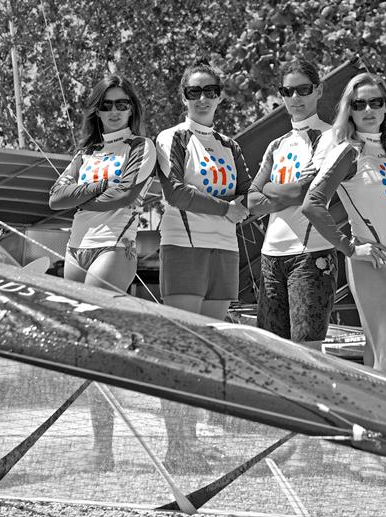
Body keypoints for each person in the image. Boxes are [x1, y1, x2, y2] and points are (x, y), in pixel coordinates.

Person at [49, 74, 157, 470]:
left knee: (99, 338)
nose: (114, 112)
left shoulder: (142, 146)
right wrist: (100, 186)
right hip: (76, 249)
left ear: (133, 109)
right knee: (84, 347)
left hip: (116, 245)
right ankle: (103, 448)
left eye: (122, 104)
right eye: (106, 105)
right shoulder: (85, 153)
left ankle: (105, 448)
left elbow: (127, 193)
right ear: (96, 109)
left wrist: (85, 194)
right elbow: (55, 198)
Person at [154, 60, 257, 473]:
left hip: (225, 252)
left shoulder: (230, 145)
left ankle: (191, 442)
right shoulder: (172, 137)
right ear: (183, 97)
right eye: (194, 92)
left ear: (220, 96)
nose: (202, 99)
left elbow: (250, 194)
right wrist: (226, 209)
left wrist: (240, 210)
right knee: (181, 349)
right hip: (184, 246)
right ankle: (175, 446)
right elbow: (176, 192)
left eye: (210, 90)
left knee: (209, 351)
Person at [302, 73, 386, 375]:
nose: (368, 110)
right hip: (372, 265)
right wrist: (350, 247)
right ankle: (380, 422)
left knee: (378, 361)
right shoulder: (349, 152)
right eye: (359, 105)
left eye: (375, 103)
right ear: (350, 111)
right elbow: (312, 204)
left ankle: (365, 423)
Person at [247, 59, 337, 343]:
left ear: (318, 91)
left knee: (307, 352)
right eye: (288, 91)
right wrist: (280, 192)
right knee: (273, 352)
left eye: (303, 89)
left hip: (312, 255)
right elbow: (250, 199)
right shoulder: (277, 144)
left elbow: (305, 193)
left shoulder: (331, 137)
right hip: (270, 256)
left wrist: (270, 188)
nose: (296, 98)